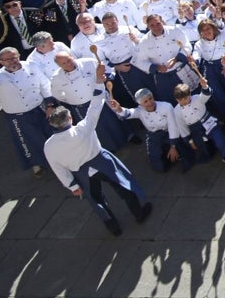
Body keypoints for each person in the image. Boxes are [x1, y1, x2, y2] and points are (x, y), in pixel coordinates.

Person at [44, 68, 152, 236]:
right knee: (122, 186)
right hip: (102, 162)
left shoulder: (49, 145)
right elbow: (95, 105)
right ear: (70, 118)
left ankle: (113, 227)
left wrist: (72, 185)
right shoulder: (83, 128)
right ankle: (138, 213)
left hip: (81, 173)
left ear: (52, 124)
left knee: (96, 200)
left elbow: (57, 168)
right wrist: (98, 82)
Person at [0, 46, 53, 177]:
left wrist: (50, 104)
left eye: (13, 57)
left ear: (19, 56)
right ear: (1, 62)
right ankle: (36, 164)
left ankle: (57, 161)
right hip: (17, 116)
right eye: (7, 59)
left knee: (49, 135)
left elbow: (45, 85)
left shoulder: (31, 66)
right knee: (26, 141)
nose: (12, 61)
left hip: (39, 109)